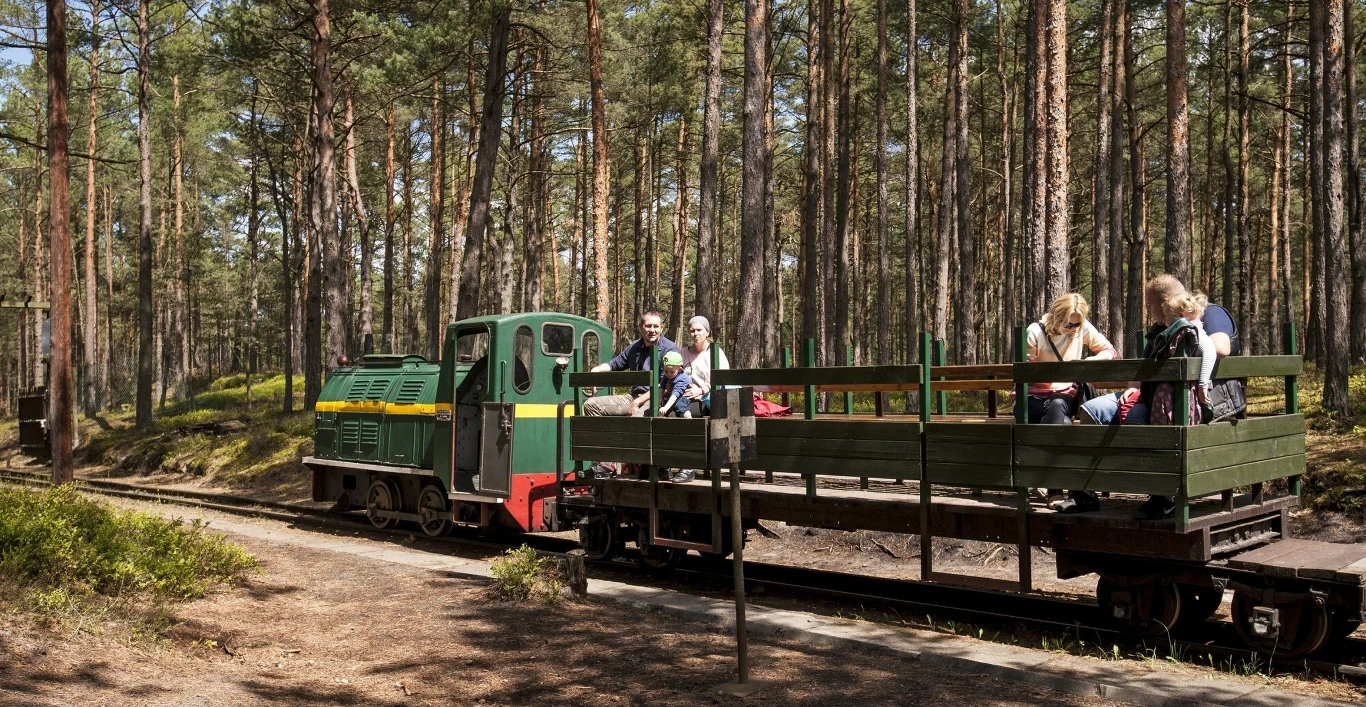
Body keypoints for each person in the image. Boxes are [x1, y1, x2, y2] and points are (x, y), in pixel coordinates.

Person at [1025, 293, 1117, 513]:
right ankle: (1062, 489)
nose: (1073, 328)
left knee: (1058, 407)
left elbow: (1110, 351)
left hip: (1065, 396)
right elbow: (1027, 373)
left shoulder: (1083, 327)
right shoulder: (1034, 331)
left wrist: (1089, 361)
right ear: (1056, 316)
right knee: (1063, 422)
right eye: (1068, 323)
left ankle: (1053, 487)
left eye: (1076, 324)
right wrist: (1059, 374)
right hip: (1032, 397)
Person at [584, 310, 679, 417]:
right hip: (634, 396)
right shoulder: (634, 347)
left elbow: (665, 385)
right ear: (640, 327)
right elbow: (615, 363)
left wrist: (637, 402)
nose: (652, 330)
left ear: (661, 328)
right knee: (591, 405)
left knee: (635, 420)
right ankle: (607, 434)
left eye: (656, 326)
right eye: (648, 326)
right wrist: (596, 370)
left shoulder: (670, 350)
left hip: (657, 399)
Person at [679, 315, 730, 416]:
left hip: (708, 398)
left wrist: (702, 390)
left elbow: (724, 380)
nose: (696, 334)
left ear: (707, 332)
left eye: (699, 330)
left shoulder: (716, 352)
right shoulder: (683, 353)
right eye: (692, 331)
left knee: (693, 414)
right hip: (685, 397)